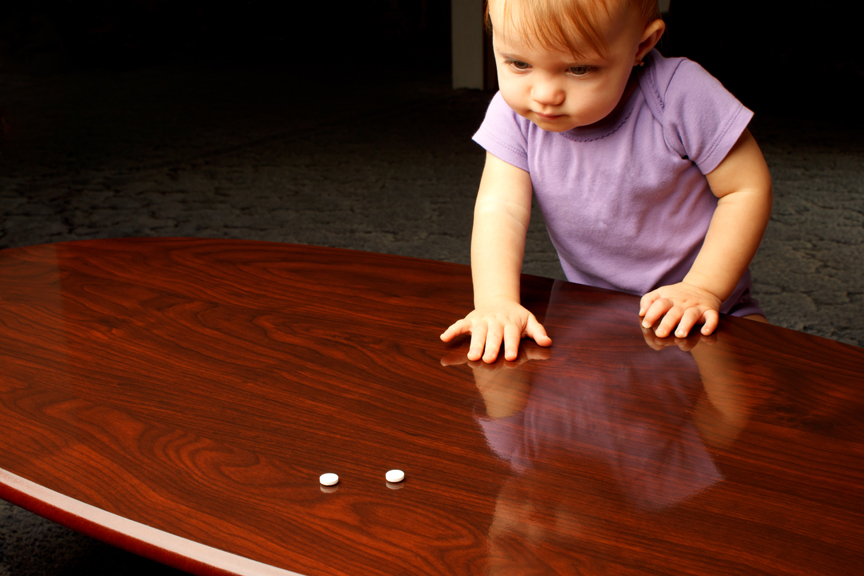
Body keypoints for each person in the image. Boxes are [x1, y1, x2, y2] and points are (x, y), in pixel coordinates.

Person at [440, 0, 773, 363]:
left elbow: (745, 188)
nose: (544, 95)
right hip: (592, 311)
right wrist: (496, 302)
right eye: (519, 63)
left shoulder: (679, 94)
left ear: (641, 46)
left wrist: (704, 287)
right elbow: (500, 208)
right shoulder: (516, 116)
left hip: (710, 306)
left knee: (751, 378)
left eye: (579, 68)